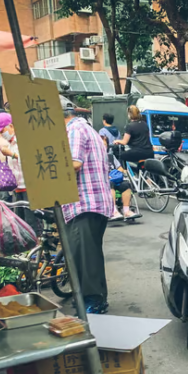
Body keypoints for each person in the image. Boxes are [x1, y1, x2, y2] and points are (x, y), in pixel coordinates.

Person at [63, 108, 115, 314]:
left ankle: (92, 301)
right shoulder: (89, 129)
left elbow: (74, 163)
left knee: (84, 255)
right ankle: (96, 298)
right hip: (94, 202)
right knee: (90, 253)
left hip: (84, 203)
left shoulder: (74, 130)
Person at [101, 135, 134, 220]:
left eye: (104, 145)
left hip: (115, 179)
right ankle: (113, 210)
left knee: (126, 184)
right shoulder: (95, 158)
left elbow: (120, 169)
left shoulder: (111, 157)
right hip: (103, 182)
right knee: (109, 183)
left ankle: (126, 211)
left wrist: (115, 173)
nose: (103, 147)